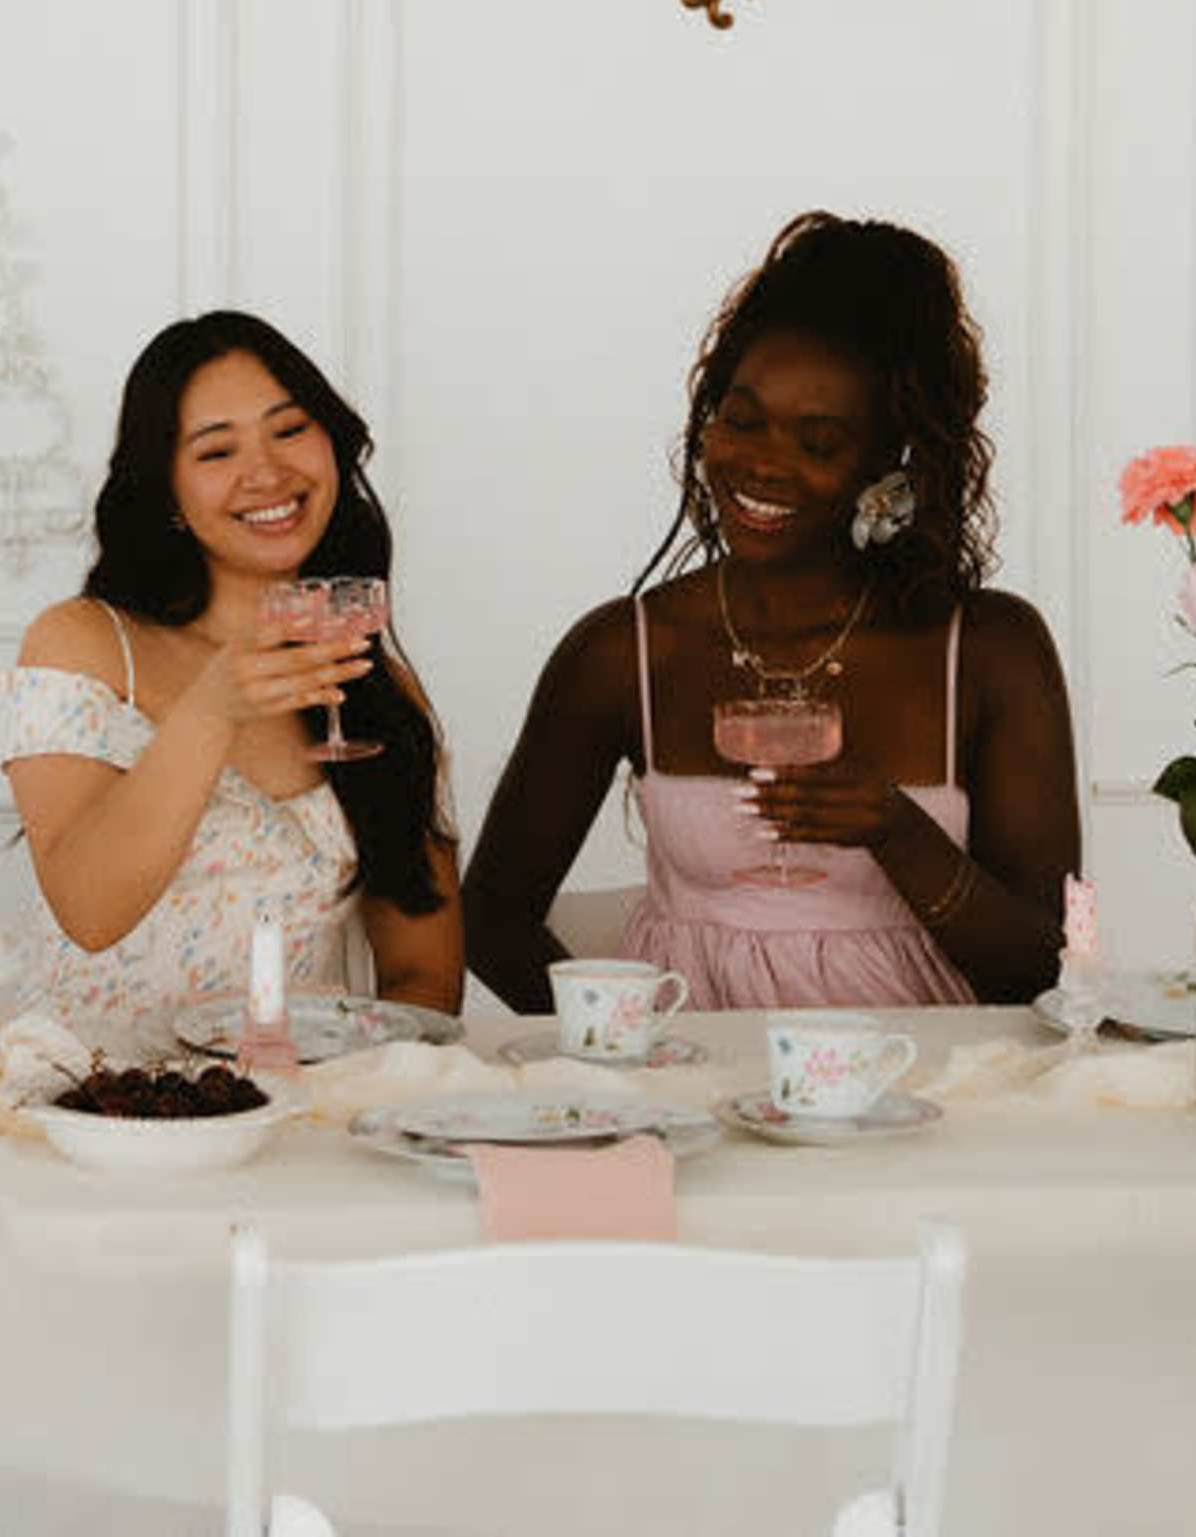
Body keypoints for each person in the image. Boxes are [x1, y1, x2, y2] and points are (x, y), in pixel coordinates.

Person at [463, 213, 1080, 1011]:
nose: (761, 462)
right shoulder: (626, 651)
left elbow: (1042, 968)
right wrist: (622, 1049)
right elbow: (490, 916)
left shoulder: (992, 649)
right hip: (689, 1107)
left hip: (928, 1095)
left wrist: (895, 829)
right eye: (742, 419)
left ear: (887, 468)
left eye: (818, 441)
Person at [0, 313, 461, 1051]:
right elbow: (88, 910)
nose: (267, 472)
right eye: (217, 449)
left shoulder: (374, 686)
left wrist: (358, 1078)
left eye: (289, 429)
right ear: (168, 488)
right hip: (90, 1106)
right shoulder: (82, 642)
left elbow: (424, 977)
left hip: (295, 1113)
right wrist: (213, 706)